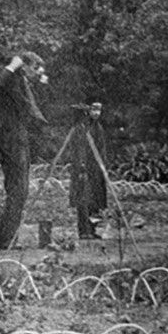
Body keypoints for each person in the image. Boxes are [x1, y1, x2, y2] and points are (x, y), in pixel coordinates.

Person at [0, 51, 49, 249]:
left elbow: (32, 108)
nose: (39, 72)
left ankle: (6, 239)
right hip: (10, 140)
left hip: (19, 139)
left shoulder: (22, 82)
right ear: (24, 65)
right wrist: (11, 66)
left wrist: (41, 83)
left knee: (19, 191)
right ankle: (4, 241)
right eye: (36, 68)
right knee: (18, 191)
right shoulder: (10, 78)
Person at [68, 102, 108, 239]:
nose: (96, 113)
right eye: (94, 109)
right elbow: (79, 149)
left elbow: (101, 149)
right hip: (84, 169)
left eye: (99, 110)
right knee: (83, 200)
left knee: (95, 201)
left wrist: (103, 167)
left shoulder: (98, 128)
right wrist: (82, 165)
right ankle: (84, 230)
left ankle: (93, 229)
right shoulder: (81, 128)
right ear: (88, 110)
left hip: (96, 170)